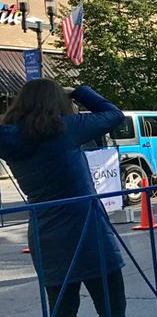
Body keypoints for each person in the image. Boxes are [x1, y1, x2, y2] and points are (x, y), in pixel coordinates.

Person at [0, 81, 126, 317]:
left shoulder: (8, 138)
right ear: (57, 101)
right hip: (88, 230)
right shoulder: (66, 128)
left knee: (62, 309)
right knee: (112, 306)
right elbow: (114, 115)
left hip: (46, 236)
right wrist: (80, 92)